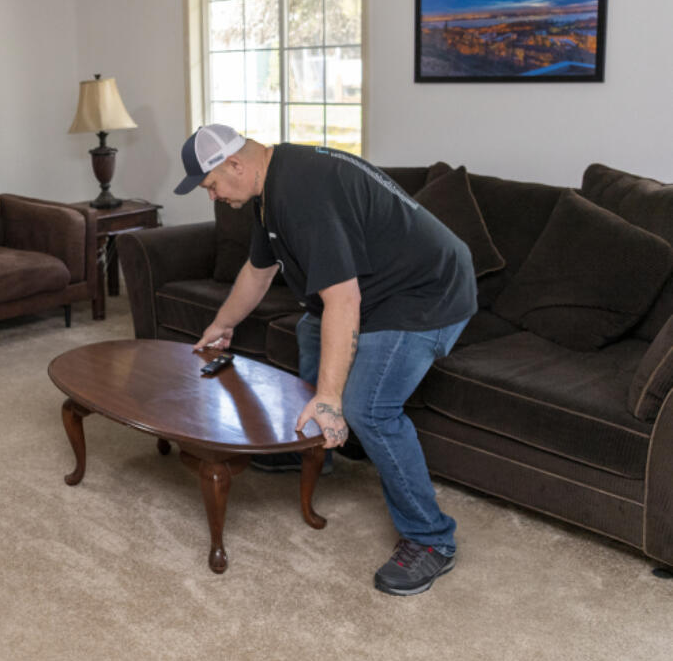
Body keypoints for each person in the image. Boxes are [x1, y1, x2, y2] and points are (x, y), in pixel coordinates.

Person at [174, 124, 476, 596]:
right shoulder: (270, 189)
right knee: (309, 328)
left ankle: (431, 539)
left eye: (210, 185)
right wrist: (222, 324)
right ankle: (315, 453)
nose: (212, 197)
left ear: (235, 165)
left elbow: (343, 300)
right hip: (381, 290)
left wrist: (331, 398)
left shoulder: (303, 192)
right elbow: (258, 271)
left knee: (368, 409)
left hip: (426, 294)